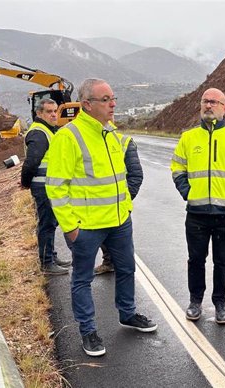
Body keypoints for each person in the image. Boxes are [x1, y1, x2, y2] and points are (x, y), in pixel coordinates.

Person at [46, 78, 157, 357]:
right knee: (82, 279)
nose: (113, 104)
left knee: (127, 270)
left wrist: (125, 210)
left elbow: (120, 178)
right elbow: (56, 186)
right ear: (87, 104)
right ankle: (88, 331)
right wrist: (71, 228)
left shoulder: (111, 134)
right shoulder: (69, 136)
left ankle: (128, 313)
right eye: (106, 99)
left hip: (119, 221)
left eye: (113, 98)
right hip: (87, 226)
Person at [170, 88, 225, 324]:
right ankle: (195, 300)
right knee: (195, 260)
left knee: (222, 260)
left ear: (224, 108)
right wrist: (186, 191)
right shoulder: (188, 138)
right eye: (205, 101)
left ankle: (220, 301)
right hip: (196, 213)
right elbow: (178, 167)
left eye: (214, 102)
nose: (209, 106)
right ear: (200, 105)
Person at [20, 98, 71, 275]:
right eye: (49, 111)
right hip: (43, 187)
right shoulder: (39, 133)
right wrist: (25, 183)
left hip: (49, 186)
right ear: (39, 114)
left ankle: (51, 256)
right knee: (46, 224)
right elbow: (32, 162)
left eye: (55, 111)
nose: (54, 114)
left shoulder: (48, 131)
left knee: (51, 223)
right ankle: (46, 263)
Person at [94, 130, 143, 275]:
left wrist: (124, 199)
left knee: (122, 249)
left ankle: (119, 266)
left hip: (119, 205)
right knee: (104, 238)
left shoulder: (124, 142)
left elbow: (136, 175)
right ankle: (109, 262)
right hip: (99, 204)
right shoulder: (91, 141)